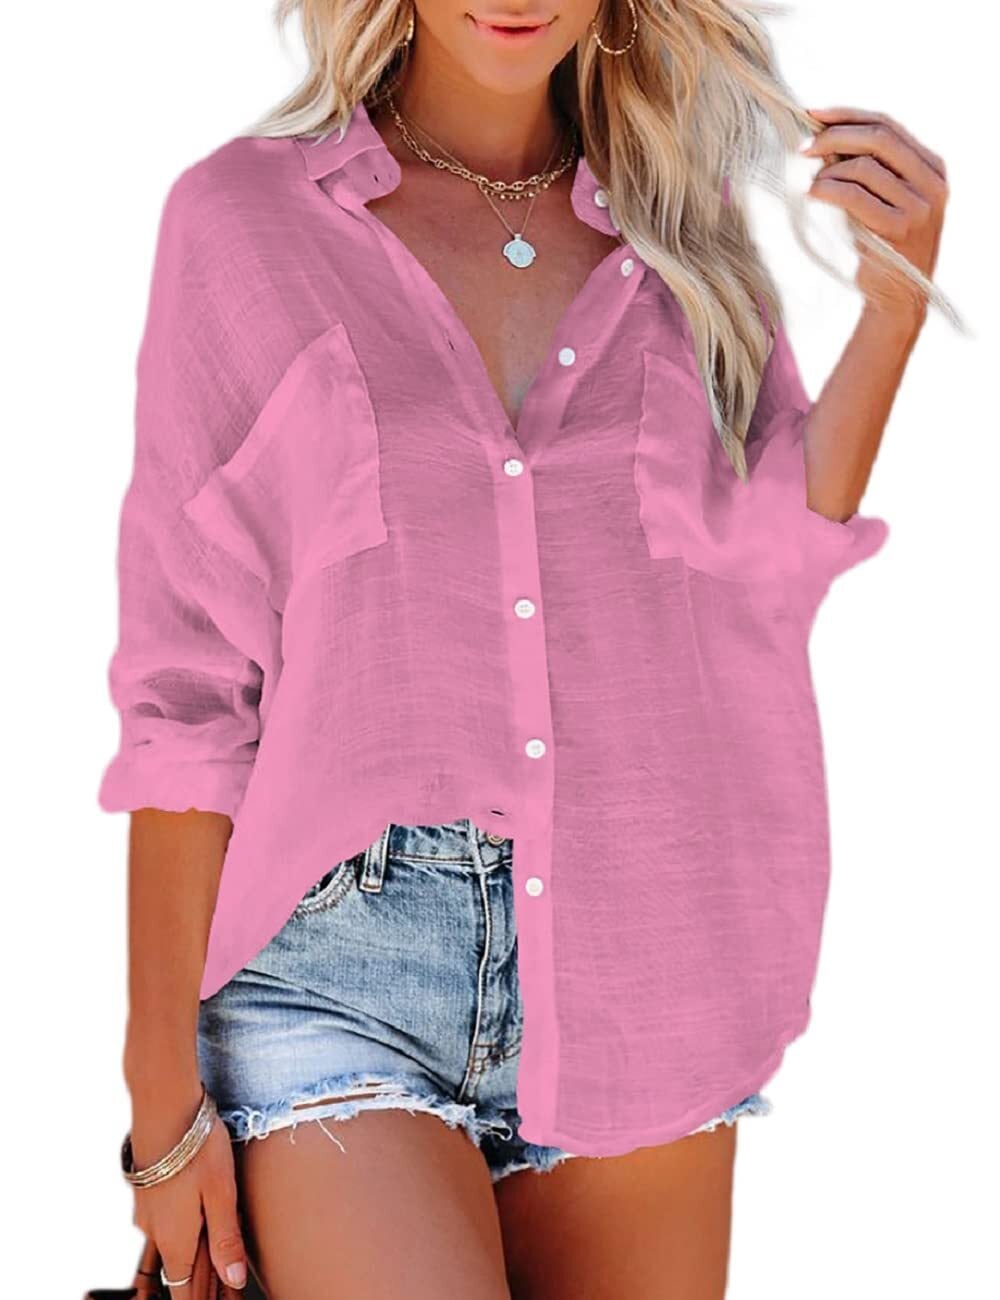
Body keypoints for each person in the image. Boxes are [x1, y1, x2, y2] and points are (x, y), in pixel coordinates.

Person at [97, 0, 951, 1294]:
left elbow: (763, 567)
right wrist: (161, 1103)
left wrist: (891, 307)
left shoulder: (681, 234)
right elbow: (187, 692)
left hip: (640, 951)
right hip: (340, 964)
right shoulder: (246, 225)